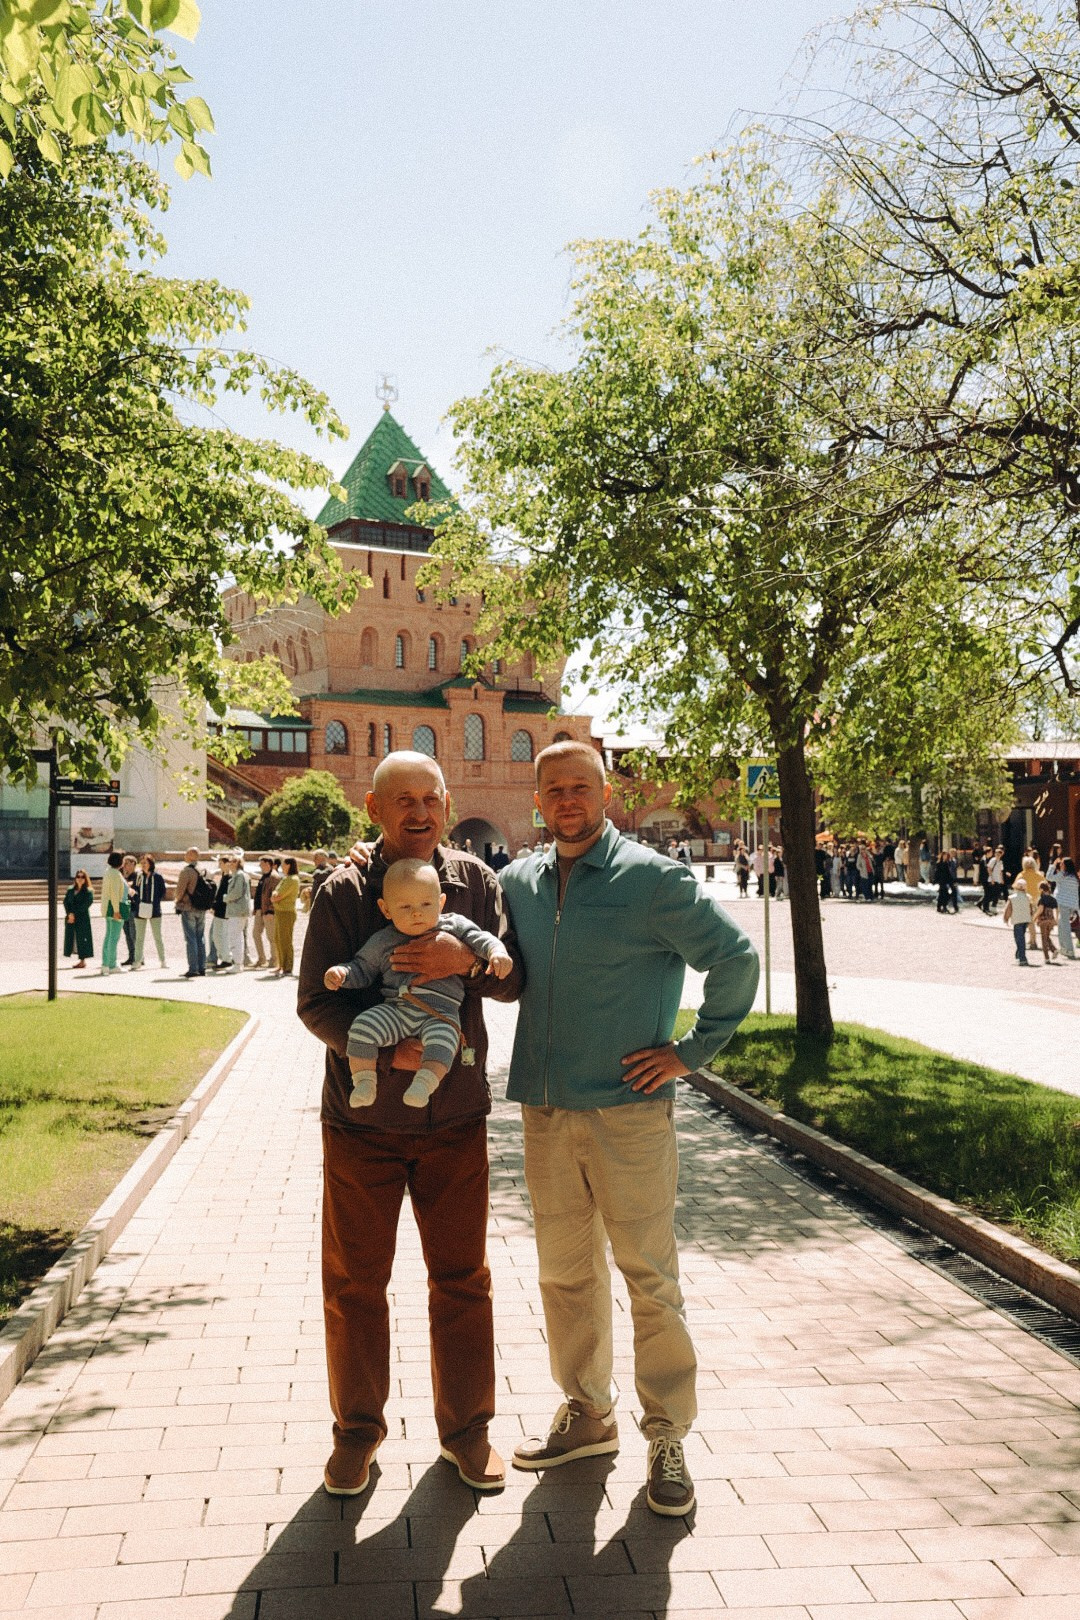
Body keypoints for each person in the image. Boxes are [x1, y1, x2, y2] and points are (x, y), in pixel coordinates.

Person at [499, 741, 759, 1518]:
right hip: (545, 1111)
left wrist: (689, 1054)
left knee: (649, 1277)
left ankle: (668, 1434)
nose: (568, 800)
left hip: (629, 1113)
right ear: (538, 799)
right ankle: (588, 1413)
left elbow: (736, 960)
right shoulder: (519, 881)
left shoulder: (653, 879)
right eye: (555, 790)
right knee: (564, 1275)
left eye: (581, 787)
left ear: (605, 793)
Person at [296, 752, 523, 1499]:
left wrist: (473, 958)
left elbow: (515, 977)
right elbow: (316, 1002)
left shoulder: (476, 884)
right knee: (356, 1283)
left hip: (454, 1119)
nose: (419, 813)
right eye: (403, 801)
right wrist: (388, 1048)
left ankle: (468, 1433)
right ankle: (355, 1436)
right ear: (374, 808)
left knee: (462, 1280)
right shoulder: (345, 891)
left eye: (431, 798)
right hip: (362, 1126)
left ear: (449, 802)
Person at [322, 857, 513, 1109]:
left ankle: (423, 1085)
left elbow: (482, 939)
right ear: (385, 909)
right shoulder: (383, 940)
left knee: (444, 1042)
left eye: (426, 903)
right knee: (362, 1027)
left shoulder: (453, 925)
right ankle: (364, 1081)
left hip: (441, 1014)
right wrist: (341, 974)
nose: (416, 912)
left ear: (441, 902)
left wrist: (496, 953)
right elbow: (363, 969)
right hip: (397, 1011)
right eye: (404, 907)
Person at [174, 846, 211, 978]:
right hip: (201, 907)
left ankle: (193, 968)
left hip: (188, 907)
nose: (184, 855)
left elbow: (180, 890)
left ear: (190, 855)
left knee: (191, 938)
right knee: (200, 937)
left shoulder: (187, 871)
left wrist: (177, 901)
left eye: (186, 853)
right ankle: (202, 967)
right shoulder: (203, 870)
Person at [131, 854, 167, 970]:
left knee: (157, 936)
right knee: (139, 938)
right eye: (142, 863)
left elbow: (162, 891)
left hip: (155, 910)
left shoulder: (157, 877)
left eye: (145, 862)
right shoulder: (138, 876)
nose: (143, 864)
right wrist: (137, 901)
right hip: (140, 909)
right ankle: (137, 961)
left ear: (150, 864)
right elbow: (134, 890)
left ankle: (162, 960)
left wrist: (155, 901)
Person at [99, 850, 129, 976]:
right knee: (114, 938)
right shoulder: (116, 874)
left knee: (108, 936)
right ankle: (111, 964)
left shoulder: (108, 872)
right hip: (116, 908)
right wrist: (117, 911)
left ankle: (105, 964)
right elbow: (115, 893)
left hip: (108, 907)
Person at [222, 853, 251, 974]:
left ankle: (238, 964)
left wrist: (226, 898)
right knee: (237, 937)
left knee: (235, 937)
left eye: (233, 861)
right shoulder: (239, 875)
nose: (230, 863)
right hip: (238, 911)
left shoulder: (239, 876)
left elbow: (237, 892)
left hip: (237, 911)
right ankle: (238, 963)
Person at [272, 857, 300, 976]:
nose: (281, 866)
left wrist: (275, 897)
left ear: (289, 865)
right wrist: (275, 896)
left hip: (286, 912)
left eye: (283, 864)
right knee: (278, 939)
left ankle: (288, 967)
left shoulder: (293, 879)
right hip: (279, 911)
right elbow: (275, 894)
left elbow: (278, 895)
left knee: (285, 940)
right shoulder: (286, 878)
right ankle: (281, 965)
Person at [63, 868, 94, 968]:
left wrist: (74, 914)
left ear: (85, 879)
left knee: (82, 939)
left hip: (82, 918)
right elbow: (65, 902)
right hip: (70, 918)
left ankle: (82, 960)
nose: (80, 879)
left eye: (82, 877)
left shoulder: (88, 892)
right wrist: (69, 914)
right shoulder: (70, 890)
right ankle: (77, 957)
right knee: (72, 938)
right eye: (78, 876)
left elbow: (85, 905)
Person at [252, 856, 279, 968]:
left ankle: (274, 960)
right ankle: (261, 958)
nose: (260, 866)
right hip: (260, 910)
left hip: (268, 911)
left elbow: (275, 895)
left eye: (262, 863)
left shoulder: (274, 877)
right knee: (255, 934)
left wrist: (271, 911)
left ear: (268, 863)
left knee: (271, 937)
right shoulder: (264, 876)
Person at [1052, 857, 1079, 961]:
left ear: (1065, 865)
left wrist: (1053, 866)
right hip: (1072, 905)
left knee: (1065, 927)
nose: (1061, 865)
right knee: (1061, 925)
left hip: (1063, 904)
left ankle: (1069, 950)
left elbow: (1049, 877)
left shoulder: (1063, 875)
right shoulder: (1074, 877)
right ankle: (1064, 948)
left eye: (1062, 864)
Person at [209, 854, 233, 970]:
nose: (220, 866)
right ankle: (225, 957)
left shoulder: (229, 878)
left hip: (223, 911)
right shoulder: (225, 877)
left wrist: (215, 906)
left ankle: (227, 959)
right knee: (218, 935)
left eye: (221, 863)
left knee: (219, 936)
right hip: (220, 910)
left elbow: (223, 896)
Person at [1004, 876, 1032, 966]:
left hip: (1017, 920)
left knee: (1019, 938)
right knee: (1021, 937)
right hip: (1025, 919)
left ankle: (1022, 958)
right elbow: (1031, 909)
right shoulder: (1028, 897)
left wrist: (1006, 918)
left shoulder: (1012, 898)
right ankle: (1018, 955)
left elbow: (1008, 909)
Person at [120, 852, 139, 966]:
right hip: (125, 908)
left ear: (133, 864)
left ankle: (138, 956)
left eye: (126, 863)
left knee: (134, 934)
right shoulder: (123, 876)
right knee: (127, 934)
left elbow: (136, 890)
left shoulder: (137, 876)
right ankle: (131, 956)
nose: (124, 866)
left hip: (133, 908)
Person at [1036, 880, 1059, 963]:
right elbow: (1057, 910)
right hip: (1051, 920)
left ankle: (1046, 958)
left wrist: (1034, 918)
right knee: (1047, 936)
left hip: (1043, 920)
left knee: (1043, 938)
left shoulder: (1042, 899)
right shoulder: (1053, 899)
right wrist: (1056, 920)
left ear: (1041, 889)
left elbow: (1040, 909)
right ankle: (1054, 949)